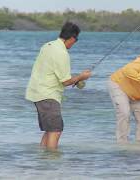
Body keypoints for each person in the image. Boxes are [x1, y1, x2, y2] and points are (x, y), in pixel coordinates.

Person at [25, 22, 91, 150]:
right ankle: (52, 163)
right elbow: (65, 82)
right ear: (72, 38)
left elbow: (52, 71)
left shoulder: (48, 45)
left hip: (37, 92)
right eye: (76, 40)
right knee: (56, 130)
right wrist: (81, 77)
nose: (74, 43)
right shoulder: (61, 53)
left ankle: (43, 159)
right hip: (48, 95)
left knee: (50, 130)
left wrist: (76, 80)